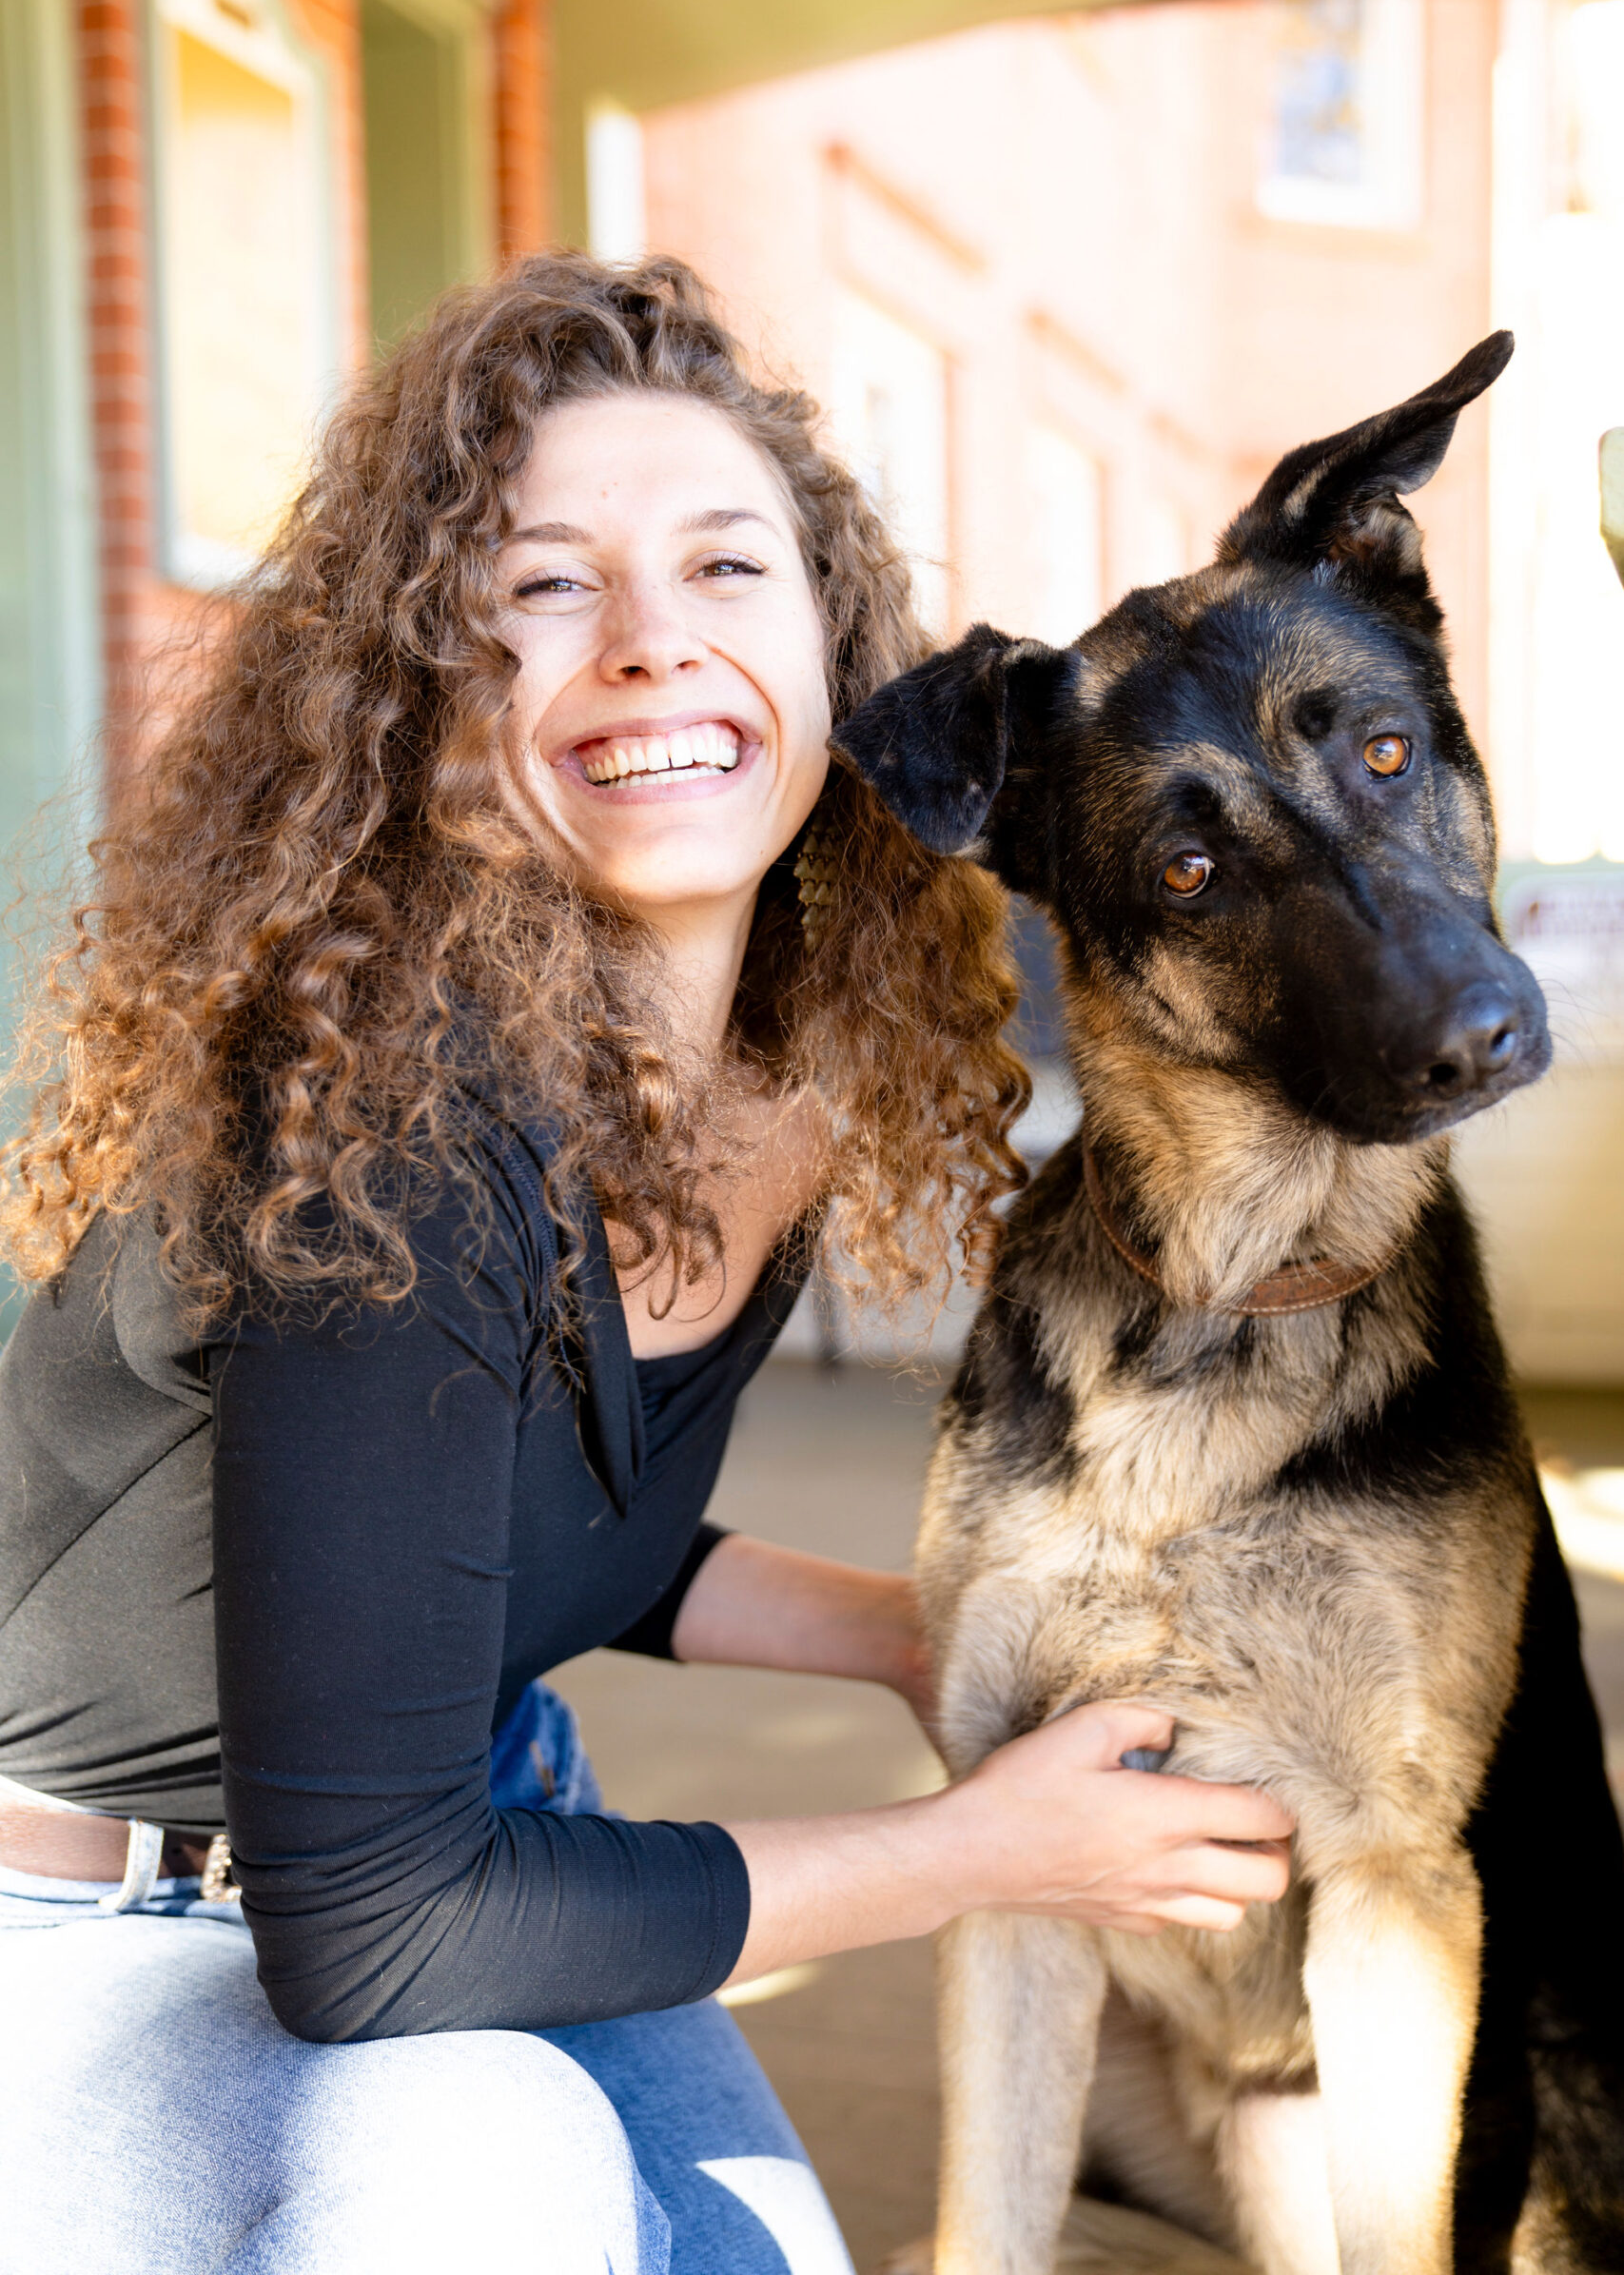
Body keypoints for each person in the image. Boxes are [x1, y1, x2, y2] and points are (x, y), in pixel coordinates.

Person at [0, 256, 1292, 2274]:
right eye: (539, 589)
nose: (646, 645)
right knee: (499, 2167)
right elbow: (373, 1924)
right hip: (103, 1911)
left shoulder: (766, 1069)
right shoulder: (394, 1132)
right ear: (427, 700)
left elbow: (482, 1532)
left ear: (830, 646)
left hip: (474, 1795)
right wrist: (979, 1854)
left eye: (721, 566)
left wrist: (892, 1620)